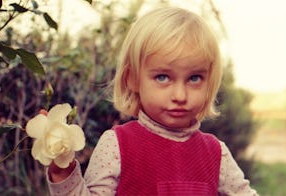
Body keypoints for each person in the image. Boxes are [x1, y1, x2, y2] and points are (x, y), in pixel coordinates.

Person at [46, 7, 258, 195]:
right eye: (163, 77)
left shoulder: (215, 153)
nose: (180, 96)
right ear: (133, 79)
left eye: (194, 78)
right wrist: (63, 173)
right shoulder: (118, 145)